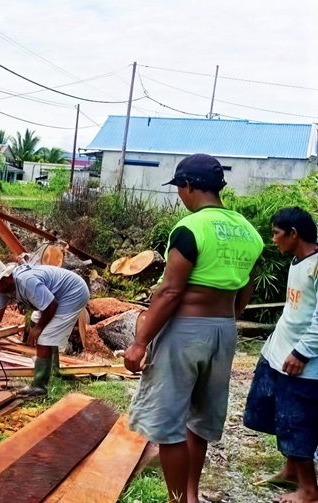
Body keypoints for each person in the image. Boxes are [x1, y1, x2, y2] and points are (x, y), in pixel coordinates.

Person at [124, 153, 263, 503]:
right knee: (199, 421)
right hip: (223, 332)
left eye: (179, 189)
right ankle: (191, 495)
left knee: (168, 424)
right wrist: (229, 318)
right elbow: (247, 284)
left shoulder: (191, 228)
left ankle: (175, 500)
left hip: (185, 332)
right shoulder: (248, 231)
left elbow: (171, 291)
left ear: (187, 186)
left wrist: (140, 342)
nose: (180, 196)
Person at [243, 207, 318, 503]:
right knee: (277, 416)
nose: (273, 239)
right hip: (279, 353)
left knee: (297, 422)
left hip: (303, 362)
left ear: (293, 234)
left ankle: (310, 491)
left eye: (276, 233)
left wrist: (302, 352)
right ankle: (290, 472)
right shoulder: (299, 261)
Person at [0, 259, 89, 396]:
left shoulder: (26, 281)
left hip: (73, 292)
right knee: (36, 319)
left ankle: (39, 387)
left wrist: (38, 329)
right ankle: (54, 370)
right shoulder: (2, 289)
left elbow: (51, 306)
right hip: (56, 296)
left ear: (6, 275)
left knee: (44, 337)